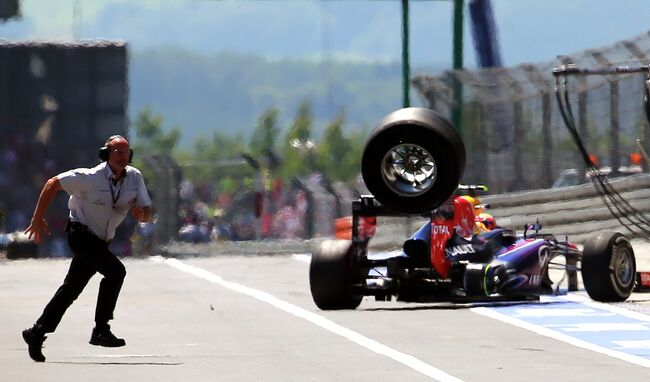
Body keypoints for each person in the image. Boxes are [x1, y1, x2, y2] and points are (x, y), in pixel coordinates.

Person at [21, 135, 152, 362]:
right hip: (80, 235)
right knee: (116, 271)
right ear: (106, 155)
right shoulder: (91, 177)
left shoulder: (134, 178)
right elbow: (53, 183)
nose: (123, 157)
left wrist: (143, 215)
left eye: (126, 152)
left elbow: (147, 211)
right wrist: (38, 217)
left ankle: (37, 332)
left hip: (101, 241)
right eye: (117, 152)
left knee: (71, 289)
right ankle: (101, 329)